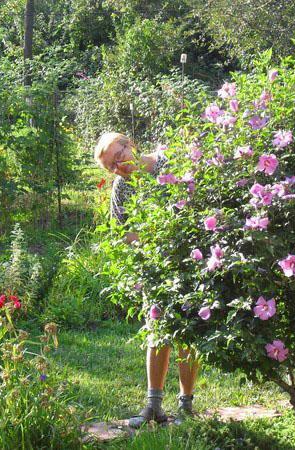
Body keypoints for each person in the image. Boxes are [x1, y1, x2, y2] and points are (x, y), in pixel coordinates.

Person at [94, 132, 199, 427]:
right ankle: (153, 406)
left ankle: (186, 407)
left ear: (130, 146)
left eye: (117, 159)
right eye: (110, 167)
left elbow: (195, 206)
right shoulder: (122, 187)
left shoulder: (170, 164)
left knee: (187, 333)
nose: (117, 169)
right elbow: (124, 232)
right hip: (154, 267)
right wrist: (148, 249)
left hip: (190, 261)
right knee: (157, 331)